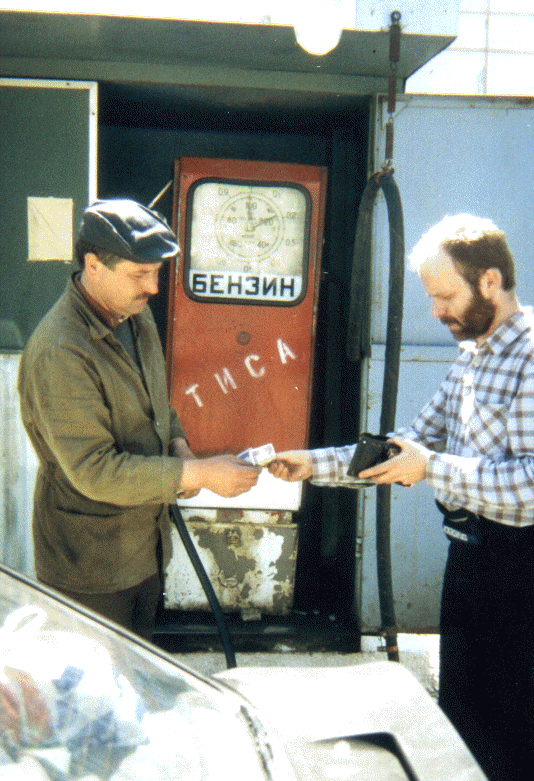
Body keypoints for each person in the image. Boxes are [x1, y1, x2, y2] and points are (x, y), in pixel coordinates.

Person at [268, 213, 534, 781]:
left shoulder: (532, 354)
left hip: (522, 571)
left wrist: (431, 468)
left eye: (444, 296)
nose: (436, 311)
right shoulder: (473, 356)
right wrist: (312, 464)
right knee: (464, 723)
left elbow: (532, 485)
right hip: (471, 560)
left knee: (515, 732)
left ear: (490, 281)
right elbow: (405, 447)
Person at [18, 199, 260, 640]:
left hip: (142, 549)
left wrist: (180, 445)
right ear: (93, 265)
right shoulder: (60, 350)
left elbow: (157, 403)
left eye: (157, 272)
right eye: (139, 274)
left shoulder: (133, 313)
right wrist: (198, 472)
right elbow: (95, 470)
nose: (152, 287)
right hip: (89, 567)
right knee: (96, 698)